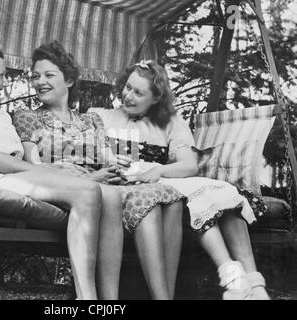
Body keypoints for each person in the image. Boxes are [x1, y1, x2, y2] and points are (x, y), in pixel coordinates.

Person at [0, 43, 123, 300]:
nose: (4, 82)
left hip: (16, 176)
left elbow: (29, 159)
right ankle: (86, 298)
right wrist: (41, 172)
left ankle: (111, 300)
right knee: (88, 192)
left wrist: (48, 172)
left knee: (110, 196)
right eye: (0, 75)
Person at [13, 41, 185, 300]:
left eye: (49, 75)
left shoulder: (90, 119)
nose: (40, 82)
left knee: (169, 196)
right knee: (124, 197)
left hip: (102, 182)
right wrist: (91, 177)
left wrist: (117, 165)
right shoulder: (28, 116)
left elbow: (107, 159)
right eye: (36, 76)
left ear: (69, 79)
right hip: (65, 186)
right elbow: (34, 168)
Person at [91, 59, 271, 300]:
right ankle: (233, 278)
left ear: (156, 98)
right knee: (203, 197)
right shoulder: (101, 117)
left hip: (163, 181)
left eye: (138, 92)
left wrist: (159, 171)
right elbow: (80, 155)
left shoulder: (171, 123)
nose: (128, 96)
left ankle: (253, 285)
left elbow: (189, 165)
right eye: (127, 87)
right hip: (136, 188)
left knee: (221, 192)